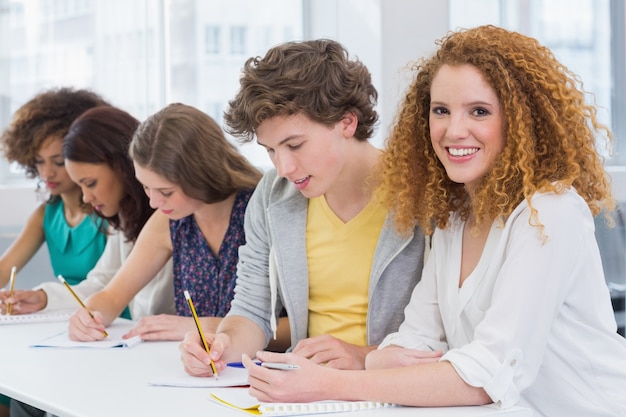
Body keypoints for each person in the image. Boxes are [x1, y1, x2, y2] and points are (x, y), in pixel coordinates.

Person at [223, 25, 626, 417]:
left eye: (479, 111)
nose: (454, 130)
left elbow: (487, 373)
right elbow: (413, 340)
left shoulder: (550, 211)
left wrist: (332, 382)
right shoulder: (454, 216)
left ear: (520, 120)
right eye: (441, 111)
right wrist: (380, 360)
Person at [179, 38, 425, 376]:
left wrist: (364, 356)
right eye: (270, 151)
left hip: (395, 391)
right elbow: (251, 310)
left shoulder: (423, 193)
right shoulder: (273, 194)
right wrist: (219, 347)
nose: (283, 168)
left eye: (295, 145)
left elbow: (447, 333)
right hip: (306, 389)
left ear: (347, 122)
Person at [67, 103, 266, 343]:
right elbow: (113, 296)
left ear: (201, 175)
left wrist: (205, 326)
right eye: (146, 187)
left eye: (166, 191)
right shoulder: (168, 221)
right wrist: (88, 315)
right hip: (195, 369)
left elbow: (297, 330)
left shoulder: (261, 211)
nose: (153, 202)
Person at [1, 105, 175, 320]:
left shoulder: (171, 215)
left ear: (123, 167)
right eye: (80, 185)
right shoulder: (126, 218)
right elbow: (102, 283)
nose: (85, 197)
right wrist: (43, 298)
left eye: (90, 183)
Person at [0, 87, 109, 417]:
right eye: (39, 163)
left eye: (59, 162)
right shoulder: (46, 215)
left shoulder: (110, 212)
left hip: (104, 327)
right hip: (59, 325)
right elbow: (5, 270)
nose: (47, 173)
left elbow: (108, 287)